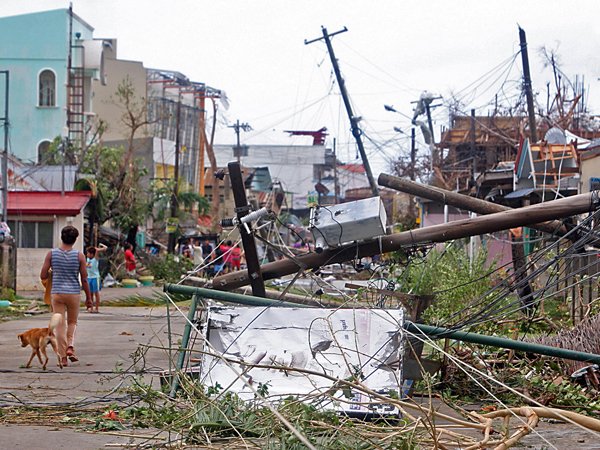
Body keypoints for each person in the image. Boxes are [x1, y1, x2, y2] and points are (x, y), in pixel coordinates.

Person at [40, 225, 92, 367]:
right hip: (74, 293)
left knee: (60, 325)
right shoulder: (79, 256)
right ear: (75, 240)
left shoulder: (51, 254)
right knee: (72, 322)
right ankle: (70, 345)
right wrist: (89, 298)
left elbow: (43, 275)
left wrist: (52, 273)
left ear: (61, 237)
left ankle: (63, 358)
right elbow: (85, 279)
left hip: (57, 293)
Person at [86, 243, 107, 313]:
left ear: (92, 254)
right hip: (89, 277)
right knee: (90, 294)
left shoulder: (95, 259)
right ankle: (91, 308)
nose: (87, 254)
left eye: (88, 253)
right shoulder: (87, 259)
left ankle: (97, 308)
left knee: (96, 293)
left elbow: (105, 248)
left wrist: (98, 249)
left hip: (95, 277)